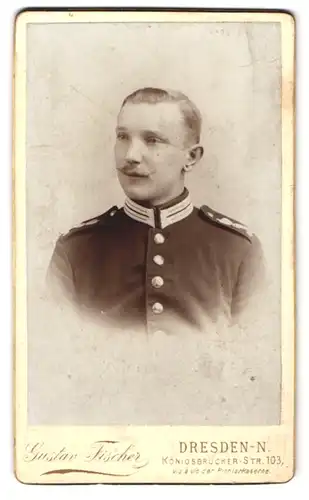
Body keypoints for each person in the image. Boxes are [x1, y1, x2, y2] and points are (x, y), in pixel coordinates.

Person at [48, 87, 266, 335]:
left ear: (191, 157)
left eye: (152, 140)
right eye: (122, 137)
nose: (131, 155)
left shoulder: (238, 249)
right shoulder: (74, 251)